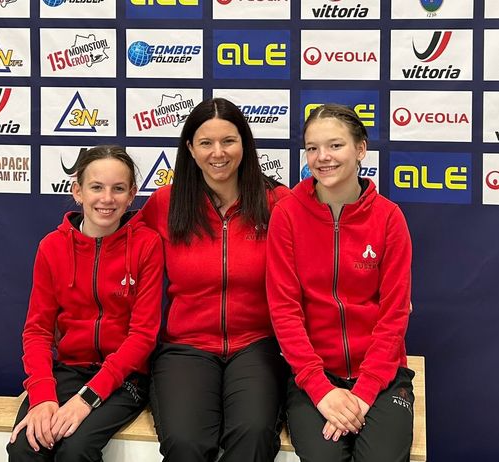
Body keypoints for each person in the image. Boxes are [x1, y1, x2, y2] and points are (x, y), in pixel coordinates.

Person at [133, 97, 291, 462]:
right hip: (185, 346)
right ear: (190, 148)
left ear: (245, 145)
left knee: (253, 434)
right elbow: (120, 251)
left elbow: (324, 247)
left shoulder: (277, 202)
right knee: (186, 442)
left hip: (257, 345)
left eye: (228, 141)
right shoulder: (166, 203)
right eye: (205, 143)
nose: (217, 153)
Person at [267, 104, 414, 461]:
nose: (322, 158)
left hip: (381, 377)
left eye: (335, 145)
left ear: (360, 149)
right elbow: (285, 312)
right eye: (313, 148)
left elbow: (394, 315)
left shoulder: (389, 219)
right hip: (313, 378)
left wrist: (363, 394)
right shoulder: (286, 216)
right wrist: (320, 389)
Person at [7, 145, 163, 461]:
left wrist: (87, 398)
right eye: (96, 187)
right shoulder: (52, 247)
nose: (107, 198)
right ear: (77, 191)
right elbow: (37, 332)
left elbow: (142, 337)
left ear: (132, 194)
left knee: (76, 450)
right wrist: (41, 397)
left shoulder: (147, 245)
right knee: (28, 445)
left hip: (125, 378)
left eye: (118, 189)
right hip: (69, 370)